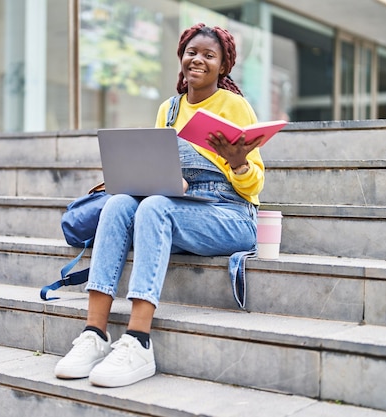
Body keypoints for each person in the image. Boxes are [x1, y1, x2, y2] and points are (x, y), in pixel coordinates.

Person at [54, 23, 265, 388]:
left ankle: (138, 341)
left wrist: (237, 162)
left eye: (209, 55)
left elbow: (254, 186)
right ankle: (94, 334)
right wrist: (161, 181)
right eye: (191, 52)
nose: (198, 59)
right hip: (180, 204)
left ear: (223, 66)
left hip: (230, 213)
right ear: (181, 58)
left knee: (154, 208)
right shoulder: (168, 109)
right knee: (119, 203)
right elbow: (156, 170)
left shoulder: (235, 107)